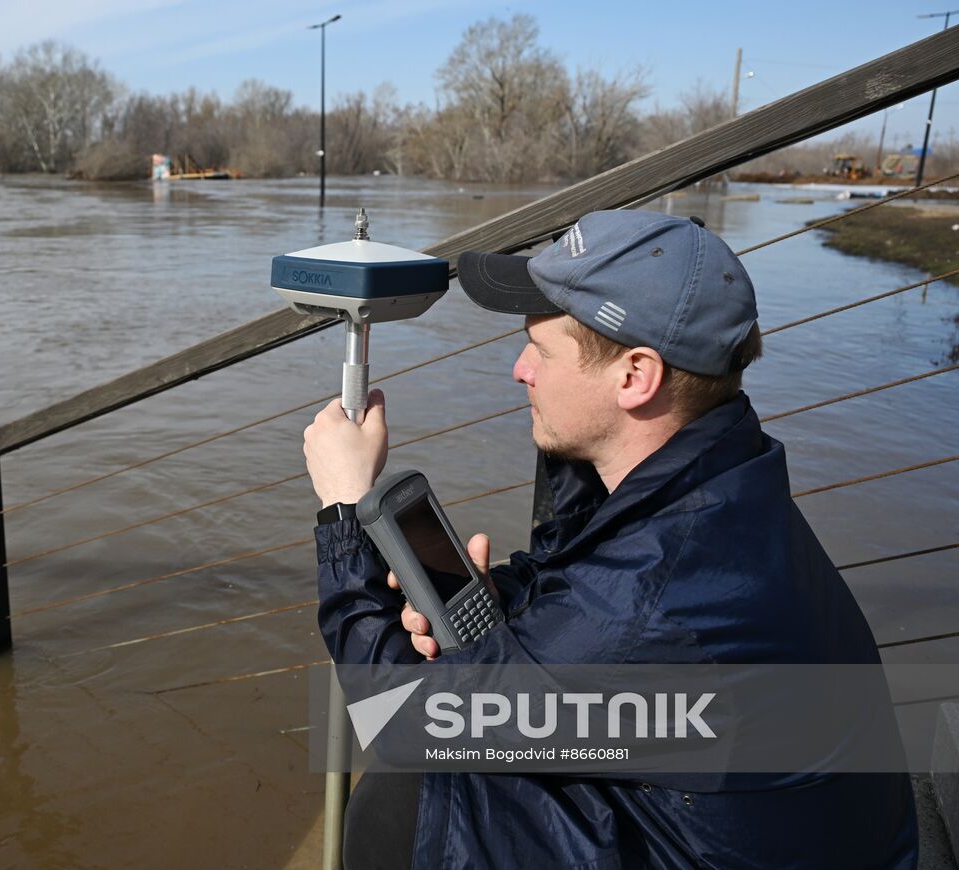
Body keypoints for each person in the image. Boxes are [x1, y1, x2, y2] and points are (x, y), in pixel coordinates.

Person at [302, 210, 918, 868]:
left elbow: (401, 720)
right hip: (785, 834)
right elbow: (592, 595)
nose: (519, 370)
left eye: (540, 351)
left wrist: (344, 510)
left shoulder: (651, 595)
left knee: (412, 804)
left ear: (635, 377)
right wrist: (503, 608)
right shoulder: (723, 481)